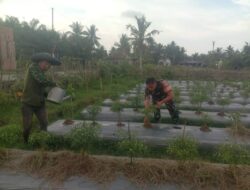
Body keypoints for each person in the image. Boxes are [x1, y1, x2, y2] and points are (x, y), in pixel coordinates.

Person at [21, 52, 61, 143]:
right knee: (27, 126)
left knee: (44, 123)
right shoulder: (33, 68)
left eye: (49, 65)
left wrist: (49, 94)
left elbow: (41, 87)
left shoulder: (41, 72)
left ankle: (42, 140)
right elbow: (41, 80)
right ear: (40, 62)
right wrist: (53, 84)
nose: (48, 67)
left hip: (40, 103)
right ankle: (25, 142)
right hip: (28, 103)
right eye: (46, 64)